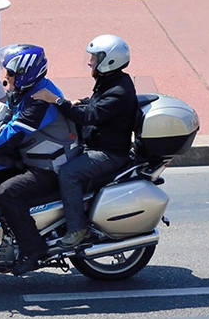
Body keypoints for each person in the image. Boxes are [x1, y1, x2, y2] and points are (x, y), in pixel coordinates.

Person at [0, 44, 79, 275]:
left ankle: (33, 248)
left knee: (7, 193)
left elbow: (10, 134)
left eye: (10, 73)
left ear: (25, 74)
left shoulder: (40, 101)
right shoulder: (26, 91)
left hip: (50, 167)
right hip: (32, 160)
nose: (6, 76)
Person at [32, 34, 138, 248]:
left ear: (109, 61)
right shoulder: (112, 81)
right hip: (96, 144)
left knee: (68, 173)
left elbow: (89, 116)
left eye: (95, 58)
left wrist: (58, 101)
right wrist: (80, 101)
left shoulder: (118, 90)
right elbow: (97, 105)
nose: (90, 62)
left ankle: (77, 229)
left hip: (109, 154)